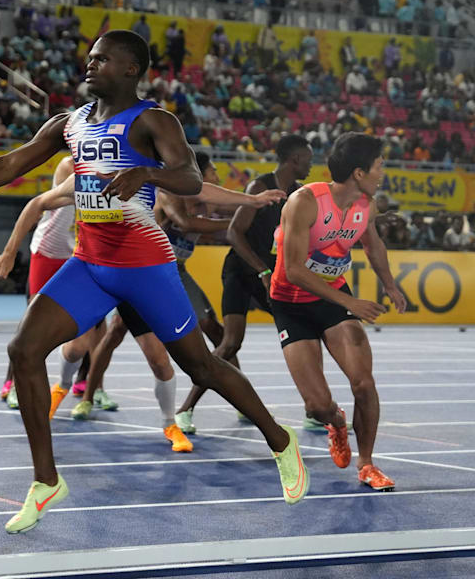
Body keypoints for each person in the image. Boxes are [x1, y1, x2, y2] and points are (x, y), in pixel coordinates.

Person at [0, 30, 308, 534]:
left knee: (201, 366)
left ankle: (280, 440)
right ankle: (46, 481)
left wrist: (147, 175)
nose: (90, 66)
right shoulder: (69, 124)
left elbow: (190, 179)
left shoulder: (153, 120)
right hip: (89, 263)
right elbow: (7, 165)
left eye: (103, 59)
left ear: (132, 69)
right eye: (89, 58)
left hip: (145, 267)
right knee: (24, 351)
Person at [74, 153, 286, 449]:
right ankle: (87, 397)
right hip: (145, 269)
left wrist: (250, 206)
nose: (216, 176)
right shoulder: (170, 193)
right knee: (116, 331)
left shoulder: (205, 199)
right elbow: (185, 222)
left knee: (215, 331)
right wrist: (232, 225)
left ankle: (239, 399)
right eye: (212, 171)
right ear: (197, 172)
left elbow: (221, 204)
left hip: (178, 270)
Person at [271, 132, 406, 491]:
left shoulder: (367, 204)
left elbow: (372, 245)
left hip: (332, 300)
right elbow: (295, 269)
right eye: (379, 166)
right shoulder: (305, 201)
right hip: (291, 304)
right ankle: (336, 422)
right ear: (359, 172)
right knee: (316, 406)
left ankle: (367, 464)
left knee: (364, 383)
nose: (383, 173)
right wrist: (351, 302)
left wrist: (390, 284)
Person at [178, 135, 314, 431]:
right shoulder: (259, 187)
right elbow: (235, 234)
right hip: (241, 271)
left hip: (269, 274)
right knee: (230, 342)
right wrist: (263, 271)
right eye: (308, 159)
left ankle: (315, 408)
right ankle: (185, 410)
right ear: (294, 160)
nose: (312, 165)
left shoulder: (300, 194)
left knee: (302, 336)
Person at [0, 157, 113, 415]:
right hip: (47, 252)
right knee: (33, 325)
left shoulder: (116, 166)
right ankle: (13, 383)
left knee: (96, 323)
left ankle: (91, 384)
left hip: (77, 255)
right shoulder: (71, 165)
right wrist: (9, 252)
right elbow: (38, 205)